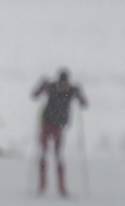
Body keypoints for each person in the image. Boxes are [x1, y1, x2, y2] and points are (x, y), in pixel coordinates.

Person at [31, 68, 88, 196]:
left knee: (58, 156)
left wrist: (80, 93)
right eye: (60, 83)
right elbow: (34, 96)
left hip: (59, 126)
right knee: (43, 153)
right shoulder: (51, 87)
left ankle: (61, 186)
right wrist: (41, 85)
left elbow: (84, 104)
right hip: (46, 123)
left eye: (64, 83)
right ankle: (42, 184)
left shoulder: (72, 90)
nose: (62, 86)